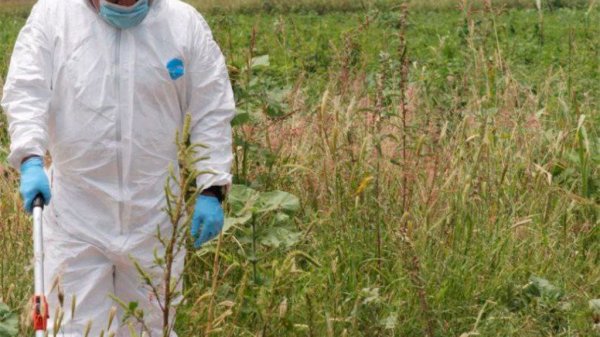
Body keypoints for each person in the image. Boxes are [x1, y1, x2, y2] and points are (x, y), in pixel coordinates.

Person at [1, 0, 235, 335]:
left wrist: (211, 186)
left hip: (154, 216)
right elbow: (27, 91)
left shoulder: (182, 25)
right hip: (76, 217)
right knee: (74, 327)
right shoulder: (54, 18)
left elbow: (211, 107)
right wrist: (30, 158)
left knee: (150, 325)